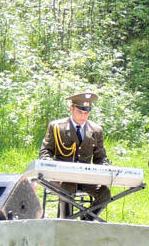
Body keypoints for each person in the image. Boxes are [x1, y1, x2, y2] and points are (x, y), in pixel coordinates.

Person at [39, 92, 111, 220]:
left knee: (104, 193)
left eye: (86, 112)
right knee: (67, 188)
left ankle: (85, 222)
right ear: (72, 109)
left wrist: (105, 169)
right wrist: (52, 168)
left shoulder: (96, 130)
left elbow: (101, 157)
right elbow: (46, 152)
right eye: (80, 112)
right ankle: (66, 222)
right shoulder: (57, 127)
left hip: (85, 177)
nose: (83, 116)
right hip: (61, 177)